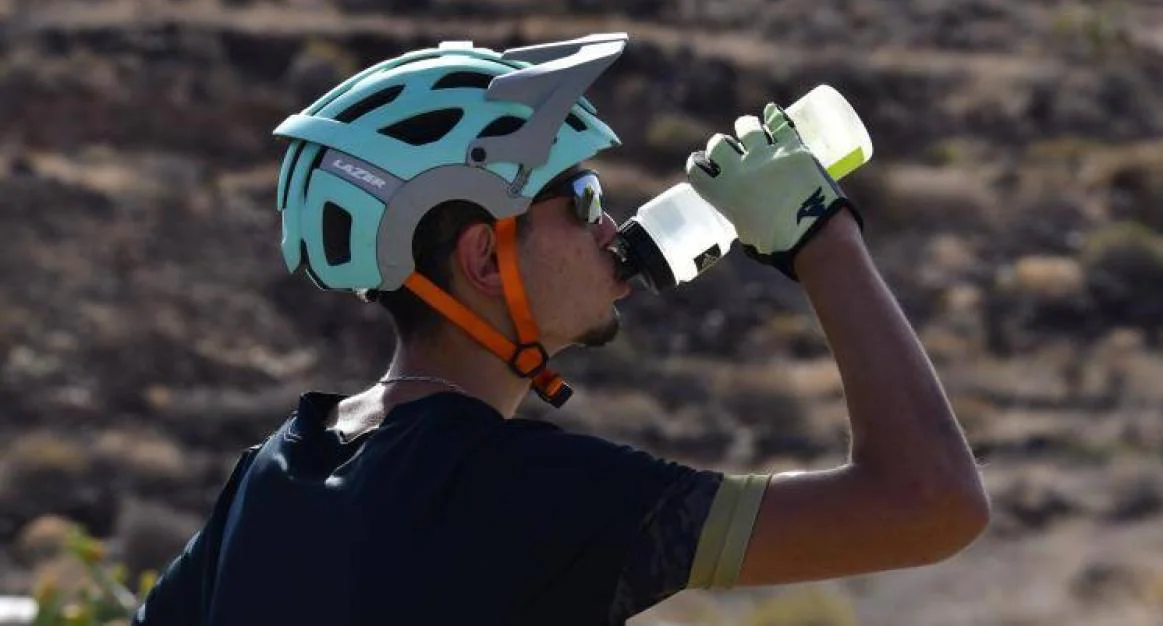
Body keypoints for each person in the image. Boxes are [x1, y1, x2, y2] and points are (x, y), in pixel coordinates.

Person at [131, 33, 989, 626]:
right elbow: (931, 506)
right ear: (481, 256)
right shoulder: (520, 495)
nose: (611, 227)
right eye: (580, 202)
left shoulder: (277, 470)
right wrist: (822, 238)